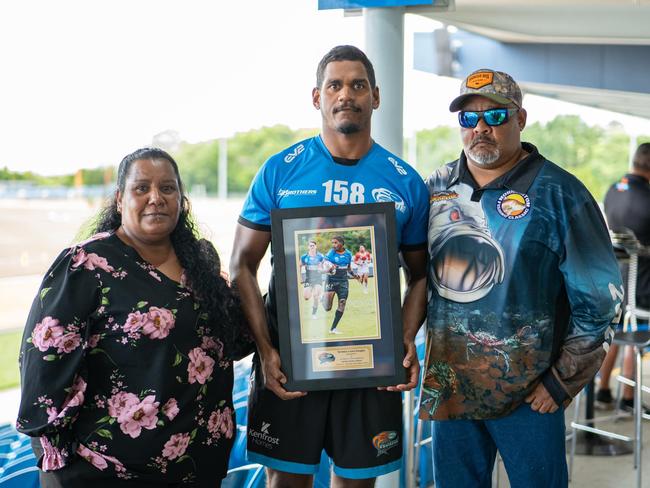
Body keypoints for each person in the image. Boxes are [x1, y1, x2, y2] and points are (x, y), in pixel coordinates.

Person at [230, 45, 428, 487]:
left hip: (370, 368)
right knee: (286, 482)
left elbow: (420, 276)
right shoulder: (280, 171)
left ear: (375, 96)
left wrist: (407, 338)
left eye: (358, 85)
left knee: (357, 482)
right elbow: (242, 265)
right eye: (334, 85)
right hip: (292, 362)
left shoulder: (404, 181)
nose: (346, 94)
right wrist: (265, 350)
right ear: (317, 98)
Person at [420, 69, 623, 487]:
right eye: (468, 118)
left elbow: (602, 302)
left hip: (530, 395)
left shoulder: (561, 194)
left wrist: (562, 381)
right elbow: (409, 274)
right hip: (451, 388)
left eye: (495, 116)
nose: (480, 128)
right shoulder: (437, 186)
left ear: (520, 119)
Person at [17, 148, 249, 488]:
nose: (156, 198)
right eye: (141, 188)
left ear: (181, 200)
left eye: (167, 188)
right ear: (119, 200)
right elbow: (43, 364)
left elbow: (232, 342)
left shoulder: (200, 263)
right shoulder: (86, 264)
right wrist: (51, 460)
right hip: (106, 471)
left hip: (198, 467)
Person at [596, 142, 650, 411]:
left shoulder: (613, 190)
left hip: (614, 278)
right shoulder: (647, 197)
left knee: (616, 332)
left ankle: (603, 389)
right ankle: (629, 397)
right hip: (642, 283)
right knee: (636, 333)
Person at [321, 235, 353, 334]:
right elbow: (323, 266)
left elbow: (348, 267)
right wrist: (328, 269)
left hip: (343, 281)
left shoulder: (348, 254)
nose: (333, 245)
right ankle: (322, 298)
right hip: (331, 280)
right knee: (327, 308)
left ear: (341, 243)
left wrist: (354, 275)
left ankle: (333, 328)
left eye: (335, 243)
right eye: (332, 243)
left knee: (342, 303)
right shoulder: (330, 254)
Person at [300, 240, 326, 319]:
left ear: (316, 247)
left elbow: (324, 266)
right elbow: (299, 266)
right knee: (306, 297)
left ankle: (313, 314)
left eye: (313, 245)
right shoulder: (304, 257)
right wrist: (300, 277)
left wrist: (321, 268)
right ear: (308, 247)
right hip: (308, 279)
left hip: (318, 279)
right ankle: (321, 295)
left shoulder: (320, 256)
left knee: (315, 296)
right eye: (310, 245)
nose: (311, 247)